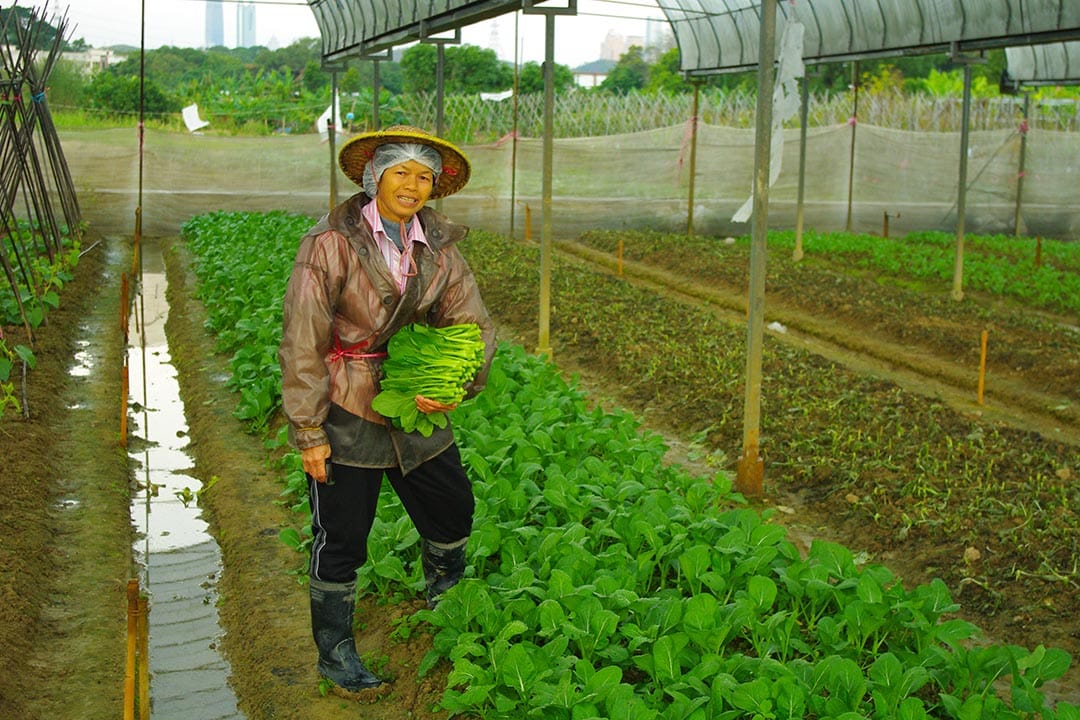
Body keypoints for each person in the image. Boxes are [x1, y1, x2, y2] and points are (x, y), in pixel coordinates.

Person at [278, 125, 495, 696]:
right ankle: (336, 652)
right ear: (375, 177)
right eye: (402, 172)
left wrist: (457, 382)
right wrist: (308, 428)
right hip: (347, 402)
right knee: (343, 533)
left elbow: (470, 323)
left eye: (425, 176)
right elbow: (303, 338)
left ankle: (445, 607)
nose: (413, 185)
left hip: (411, 397)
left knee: (453, 508)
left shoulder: (440, 248)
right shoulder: (329, 243)